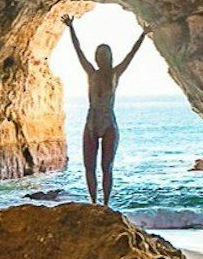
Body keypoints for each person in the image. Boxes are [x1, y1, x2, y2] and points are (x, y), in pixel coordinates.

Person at [62, 15, 149, 207]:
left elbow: (131, 55)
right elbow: (79, 52)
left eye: (104, 55)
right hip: (91, 122)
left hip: (109, 123)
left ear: (109, 57)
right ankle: (94, 202)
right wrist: (71, 28)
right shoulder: (90, 72)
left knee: (107, 167)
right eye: (98, 55)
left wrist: (143, 35)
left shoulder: (116, 73)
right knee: (89, 167)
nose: (100, 58)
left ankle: (106, 204)